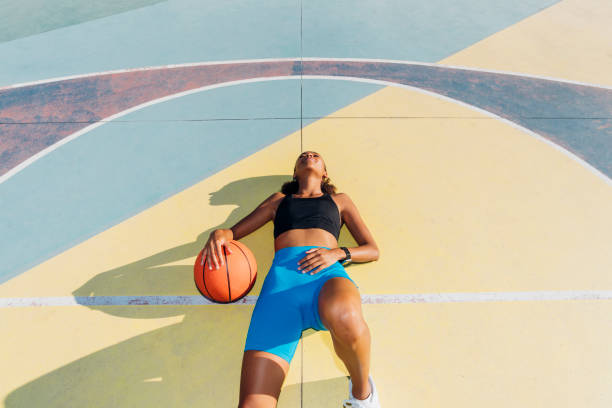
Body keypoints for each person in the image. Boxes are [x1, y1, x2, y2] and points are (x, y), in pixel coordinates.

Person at [201, 151, 381, 408]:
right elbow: (233, 232)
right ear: (295, 173)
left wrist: (339, 253)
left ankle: (363, 395)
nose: (309, 155)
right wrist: (220, 233)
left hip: (327, 278)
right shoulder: (278, 201)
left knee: (345, 316)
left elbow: (372, 249)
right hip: (281, 289)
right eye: (303, 156)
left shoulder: (339, 201)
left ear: (325, 173)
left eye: (317, 156)